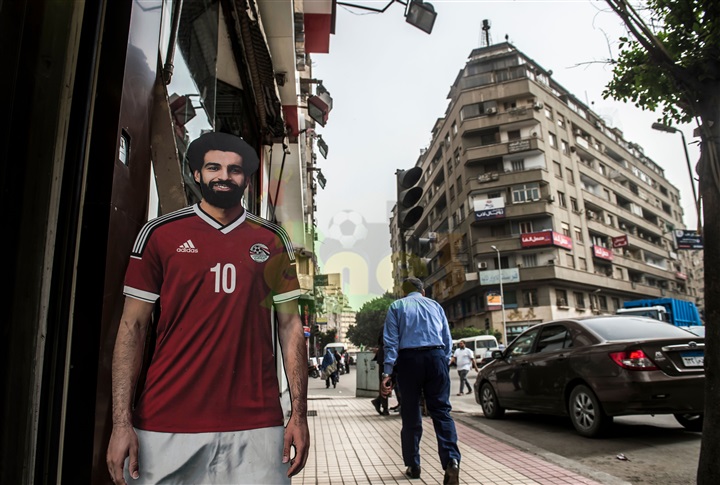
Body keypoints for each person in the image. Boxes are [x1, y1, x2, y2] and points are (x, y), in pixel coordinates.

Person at [106, 132, 309, 485]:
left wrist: (299, 415)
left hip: (257, 428)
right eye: (213, 167)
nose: (224, 176)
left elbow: (290, 327)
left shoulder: (273, 240)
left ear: (246, 179)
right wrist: (121, 423)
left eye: (235, 170)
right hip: (165, 425)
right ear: (196, 174)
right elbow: (132, 329)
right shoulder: (159, 234)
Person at [381, 277, 461, 485]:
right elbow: (447, 338)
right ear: (422, 291)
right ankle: (451, 460)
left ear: (404, 292)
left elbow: (391, 342)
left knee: (410, 414)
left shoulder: (397, 306)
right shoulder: (435, 306)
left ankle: (413, 465)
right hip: (436, 357)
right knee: (442, 412)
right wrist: (441, 360)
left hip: (409, 361)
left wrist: (387, 373)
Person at [370, 325, 389, 415]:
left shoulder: (385, 326)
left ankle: (378, 401)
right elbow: (383, 341)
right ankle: (384, 407)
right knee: (385, 383)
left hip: (387, 357)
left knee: (392, 382)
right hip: (385, 358)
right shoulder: (387, 327)